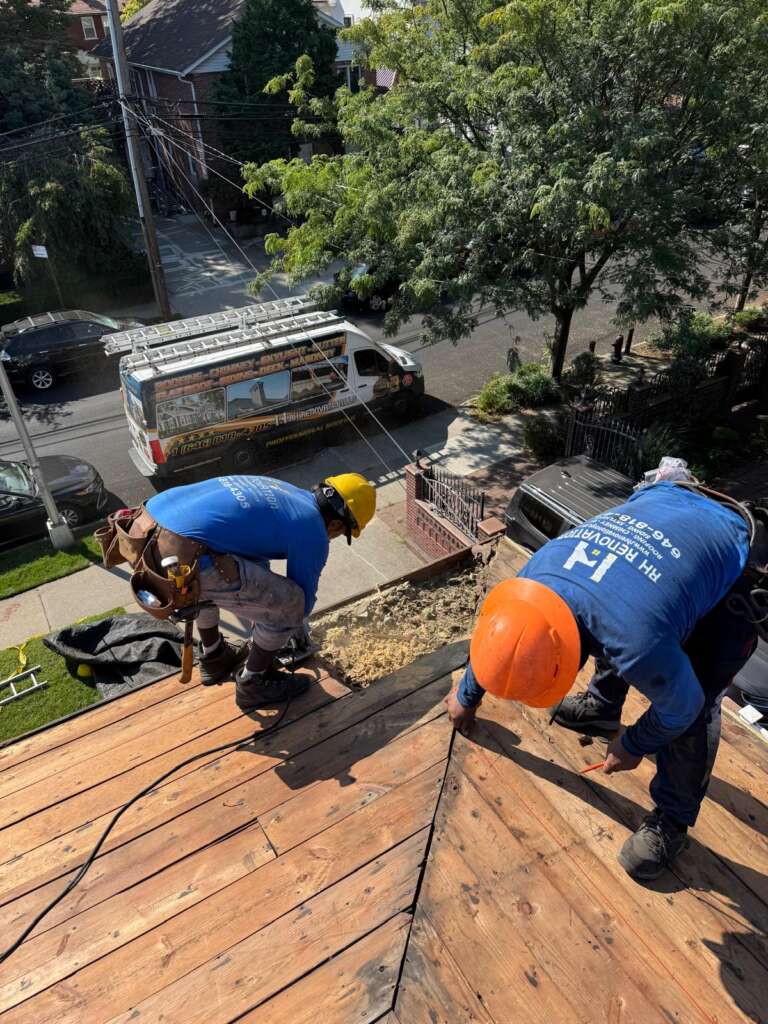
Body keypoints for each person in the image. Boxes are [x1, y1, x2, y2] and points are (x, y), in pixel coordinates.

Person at [445, 481, 758, 880]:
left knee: (695, 706)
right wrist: (467, 693)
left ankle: (673, 821)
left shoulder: (636, 638)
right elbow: (505, 636)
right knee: (604, 621)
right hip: (671, 512)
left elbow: (682, 706)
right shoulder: (532, 582)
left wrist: (633, 745)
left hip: (736, 561)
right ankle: (601, 707)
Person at [145, 473, 376, 710]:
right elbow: (301, 605)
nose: (333, 536)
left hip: (149, 531)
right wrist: (284, 629)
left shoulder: (286, 492)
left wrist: (261, 612)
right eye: (339, 533)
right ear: (338, 523)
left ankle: (214, 657)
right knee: (290, 606)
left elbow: (254, 562)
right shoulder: (313, 530)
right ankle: (253, 682)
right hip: (184, 554)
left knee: (213, 576)